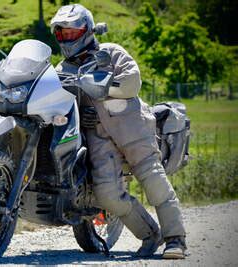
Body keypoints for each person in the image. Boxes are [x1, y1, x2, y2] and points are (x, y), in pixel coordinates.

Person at [50, 4, 187, 259]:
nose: (67, 38)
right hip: (99, 140)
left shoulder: (111, 52)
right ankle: (151, 235)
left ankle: (175, 239)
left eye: (72, 32)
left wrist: (98, 89)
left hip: (133, 129)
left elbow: (132, 83)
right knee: (108, 196)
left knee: (154, 183)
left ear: (87, 30)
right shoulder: (60, 70)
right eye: (62, 34)